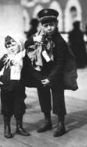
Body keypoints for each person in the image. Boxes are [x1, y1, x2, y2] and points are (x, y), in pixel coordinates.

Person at [25, 8, 75, 137]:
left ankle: (60, 124)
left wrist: (51, 78)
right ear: (41, 25)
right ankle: (47, 121)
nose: (49, 28)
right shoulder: (36, 37)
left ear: (56, 24)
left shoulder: (59, 42)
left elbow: (60, 64)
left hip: (55, 75)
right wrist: (33, 40)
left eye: (51, 25)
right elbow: (26, 45)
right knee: (43, 97)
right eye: (46, 25)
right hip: (41, 74)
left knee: (58, 98)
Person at [0, 34, 30, 138]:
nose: (11, 48)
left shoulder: (23, 57)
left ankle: (19, 127)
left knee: (19, 107)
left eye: (13, 45)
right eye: (8, 46)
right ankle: (7, 128)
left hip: (19, 87)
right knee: (6, 108)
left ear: (19, 44)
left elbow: (29, 71)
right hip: (6, 87)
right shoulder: (6, 57)